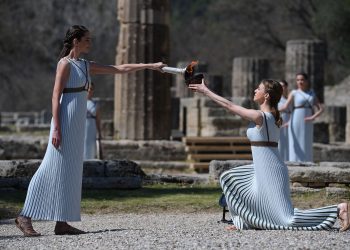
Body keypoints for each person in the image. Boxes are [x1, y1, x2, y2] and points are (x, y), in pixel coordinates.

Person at [15, 25, 165, 237]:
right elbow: (55, 95)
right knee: (49, 167)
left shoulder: (86, 65)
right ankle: (24, 216)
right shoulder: (64, 64)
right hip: (64, 122)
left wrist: (150, 66)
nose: (90, 43)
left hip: (77, 125)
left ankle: (62, 222)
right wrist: (56, 127)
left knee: (71, 171)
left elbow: (120, 68)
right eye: (86, 39)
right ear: (75, 41)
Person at [188, 78, 349, 231]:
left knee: (287, 219)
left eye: (258, 88)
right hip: (263, 170)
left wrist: (206, 91)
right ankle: (245, 221)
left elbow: (229, 106)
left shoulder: (261, 117)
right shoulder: (272, 117)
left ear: (266, 95)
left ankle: (339, 209)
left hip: (271, 172)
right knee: (229, 178)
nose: (254, 90)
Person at [280, 73, 323, 162]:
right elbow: (285, 107)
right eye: (298, 80)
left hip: (307, 121)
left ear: (307, 81)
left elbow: (321, 109)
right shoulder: (294, 93)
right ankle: (294, 162)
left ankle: (307, 161)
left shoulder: (311, 93)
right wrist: (270, 112)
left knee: (306, 141)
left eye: (302, 79)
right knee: (295, 143)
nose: (300, 82)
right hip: (295, 119)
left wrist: (312, 117)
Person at [84, 82, 101, 159]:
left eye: (91, 89)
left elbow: (98, 119)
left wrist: (99, 132)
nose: (89, 90)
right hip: (82, 126)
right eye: (88, 88)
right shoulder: (80, 102)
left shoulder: (95, 104)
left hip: (92, 127)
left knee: (91, 146)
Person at [277, 80, 291, 161]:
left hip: (288, 120)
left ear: (286, 87)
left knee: (288, 141)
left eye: (283, 86)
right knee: (280, 141)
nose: (281, 88)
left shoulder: (289, 98)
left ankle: (288, 159)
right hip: (279, 120)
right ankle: (280, 159)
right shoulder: (275, 99)